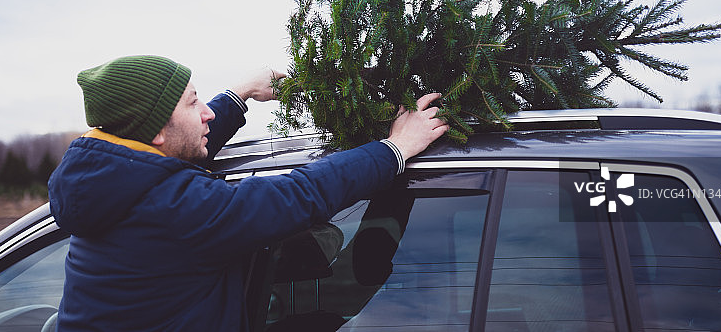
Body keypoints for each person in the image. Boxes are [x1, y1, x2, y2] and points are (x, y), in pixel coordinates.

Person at [48, 55, 447, 331]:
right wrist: (394, 148)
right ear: (155, 131)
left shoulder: (108, 183)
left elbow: (181, 144)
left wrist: (240, 95)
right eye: (192, 103)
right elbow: (297, 195)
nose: (206, 112)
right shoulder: (177, 209)